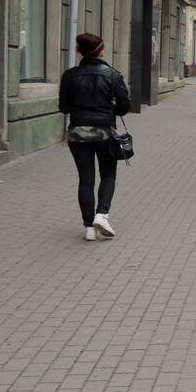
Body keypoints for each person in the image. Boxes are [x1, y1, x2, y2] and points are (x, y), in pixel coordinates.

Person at [58, 33, 132, 241]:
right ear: (100, 51)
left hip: (78, 133)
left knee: (86, 179)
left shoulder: (69, 75)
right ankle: (102, 214)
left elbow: (63, 107)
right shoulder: (112, 75)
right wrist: (108, 109)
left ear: (81, 51)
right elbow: (125, 106)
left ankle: (89, 227)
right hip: (105, 132)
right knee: (108, 174)